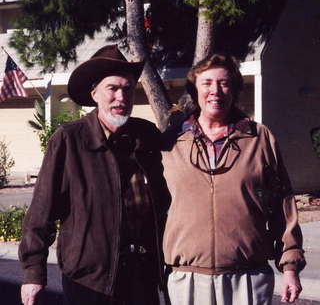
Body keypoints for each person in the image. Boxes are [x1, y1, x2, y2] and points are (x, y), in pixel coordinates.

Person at [19, 45, 169, 305]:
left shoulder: (147, 136)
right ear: (95, 94)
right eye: (113, 88)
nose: (121, 97)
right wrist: (33, 272)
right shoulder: (68, 139)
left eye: (127, 89)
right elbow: (41, 211)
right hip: (90, 280)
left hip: (142, 276)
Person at [161, 54, 306, 305]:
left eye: (224, 83)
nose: (215, 91)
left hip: (248, 278)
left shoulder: (260, 139)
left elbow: (282, 205)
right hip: (187, 279)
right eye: (207, 83)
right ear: (194, 90)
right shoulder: (170, 142)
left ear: (235, 89)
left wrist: (290, 267)